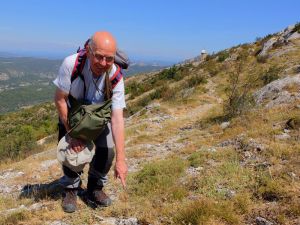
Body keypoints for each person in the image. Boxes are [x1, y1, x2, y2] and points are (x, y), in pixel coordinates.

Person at [53, 31, 127, 213]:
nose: (103, 63)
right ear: (88, 50)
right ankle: (71, 188)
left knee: (107, 150)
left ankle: (95, 188)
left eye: (109, 59)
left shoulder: (116, 76)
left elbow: (117, 118)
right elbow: (60, 99)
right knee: (72, 150)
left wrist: (121, 159)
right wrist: (72, 134)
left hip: (98, 117)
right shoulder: (71, 64)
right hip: (72, 114)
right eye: (99, 57)